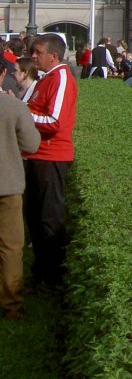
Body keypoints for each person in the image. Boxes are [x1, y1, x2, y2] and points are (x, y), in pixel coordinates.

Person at [23, 32, 78, 288]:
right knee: (34, 216)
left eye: (38, 53)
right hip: (37, 155)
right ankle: (41, 272)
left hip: (51, 157)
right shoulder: (46, 79)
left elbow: (54, 122)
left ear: (53, 56)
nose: (33, 57)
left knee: (50, 218)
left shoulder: (62, 79)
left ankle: (54, 278)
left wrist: (22, 117)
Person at [0, 87, 41, 319]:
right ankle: (12, 305)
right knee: (11, 248)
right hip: (8, 185)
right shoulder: (13, 105)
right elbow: (31, 144)